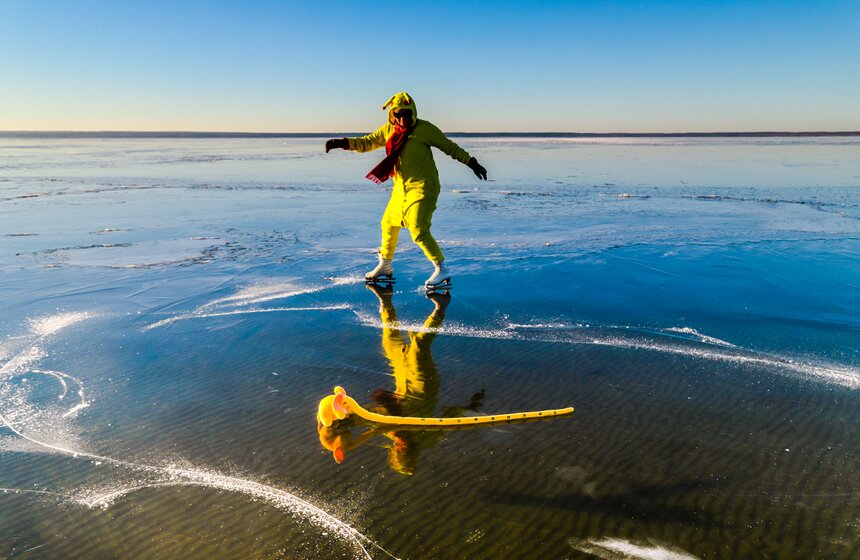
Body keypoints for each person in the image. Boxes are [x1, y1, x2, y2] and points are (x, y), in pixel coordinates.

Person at [325, 92, 487, 289]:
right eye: (399, 114)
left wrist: (472, 163)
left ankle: (441, 268)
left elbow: (449, 147)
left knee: (418, 228)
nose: (403, 119)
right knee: (388, 223)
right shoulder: (389, 130)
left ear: (414, 113)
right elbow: (367, 142)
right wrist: (342, 143)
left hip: (423, 187)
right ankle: (385, 265)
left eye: (407, 114)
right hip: (400, 189)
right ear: (393, 114)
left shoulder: (424, 129)